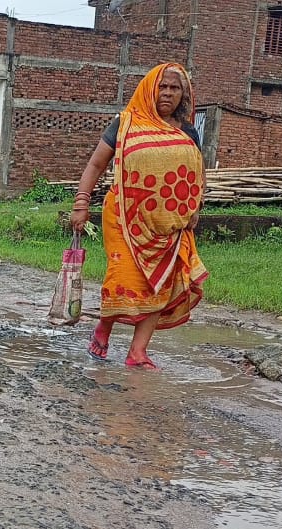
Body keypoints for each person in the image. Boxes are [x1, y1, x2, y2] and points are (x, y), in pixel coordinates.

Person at [69, 62, 209, 371]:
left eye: (175, 88)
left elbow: (198, 172)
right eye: (162, 86)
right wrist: (81, 203)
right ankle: (104, 327)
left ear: (184, 94)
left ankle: (138, 352)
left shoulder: (187, 131)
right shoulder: (126, 123)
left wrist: (196, 205)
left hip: (170, 224)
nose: (168, 93)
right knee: (123, 277)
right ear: (149, 89)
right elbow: (95, 165)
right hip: (124, 217)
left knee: (162, 282)